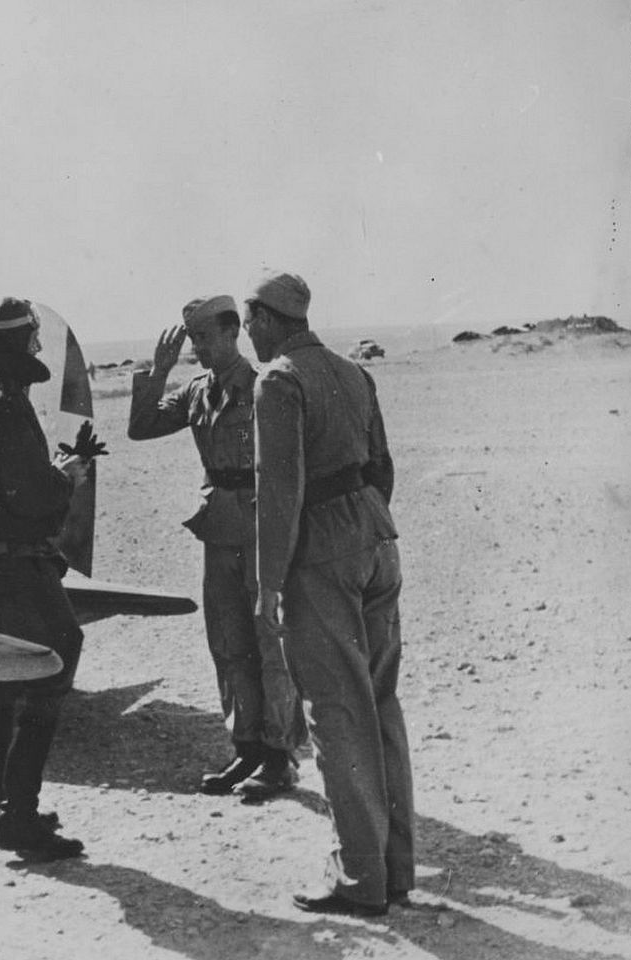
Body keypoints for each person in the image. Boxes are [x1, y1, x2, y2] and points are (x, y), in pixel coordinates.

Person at [243, 270, 414, 917]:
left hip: (322, 551)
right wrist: (363, 526)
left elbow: (278, 489)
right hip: (376, 535)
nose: (249, 334)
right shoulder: (352, 373)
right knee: (380, 701)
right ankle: (395, 869)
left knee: (337, 713)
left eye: (250, 322)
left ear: (268, 319)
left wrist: (268, 583)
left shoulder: (278, 380)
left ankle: (359, 877)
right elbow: (382, 467)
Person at [127, 295, 305, 801]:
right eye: (193, 340)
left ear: (233, 333)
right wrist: (158, 373)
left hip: (261, 527)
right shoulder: (197, 391)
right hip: (220, 526)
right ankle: (246, 747)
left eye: (205, 337)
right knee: (228, 642)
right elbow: (140, 427)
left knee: (270, 643)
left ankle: (278, 756)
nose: (198, 348)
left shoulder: (265, 385)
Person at [0, 297, 95, 861]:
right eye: (32, 338)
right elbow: (30, 497)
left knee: (1, 682)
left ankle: (4, 808)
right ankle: (20, 816)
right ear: (20, 341)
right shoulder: (4, 403)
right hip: (11, 561)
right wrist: (66, 478)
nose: (37, 346)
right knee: (55, 656)